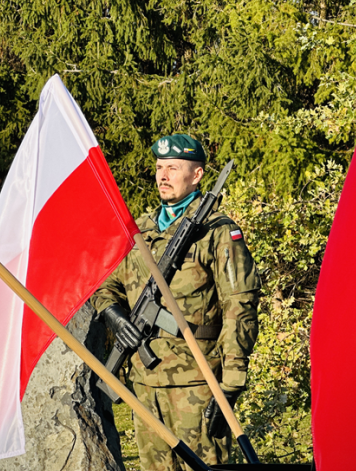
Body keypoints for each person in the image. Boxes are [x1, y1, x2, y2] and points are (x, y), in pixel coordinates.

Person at [91, 134, 260, 471]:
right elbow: (103, 286)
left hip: (198, 385)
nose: (162, 176)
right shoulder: (139, 230)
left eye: (172, 167)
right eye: (158, 167)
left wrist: (230, 385)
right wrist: (114, 316)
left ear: (196, 175)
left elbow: (239, 307)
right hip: (145, 381)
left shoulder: (217, 232)